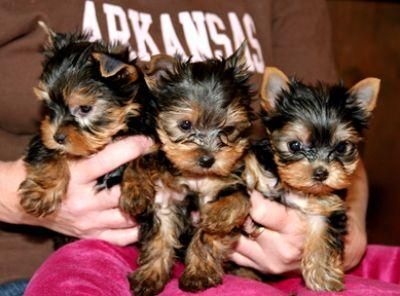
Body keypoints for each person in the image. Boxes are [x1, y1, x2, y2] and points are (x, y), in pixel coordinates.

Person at [0, 0, 399, 295]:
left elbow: (331, 134)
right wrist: (18, 197)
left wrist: (342, 232)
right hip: (29, 265)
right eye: (186, 127)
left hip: (248, 267)